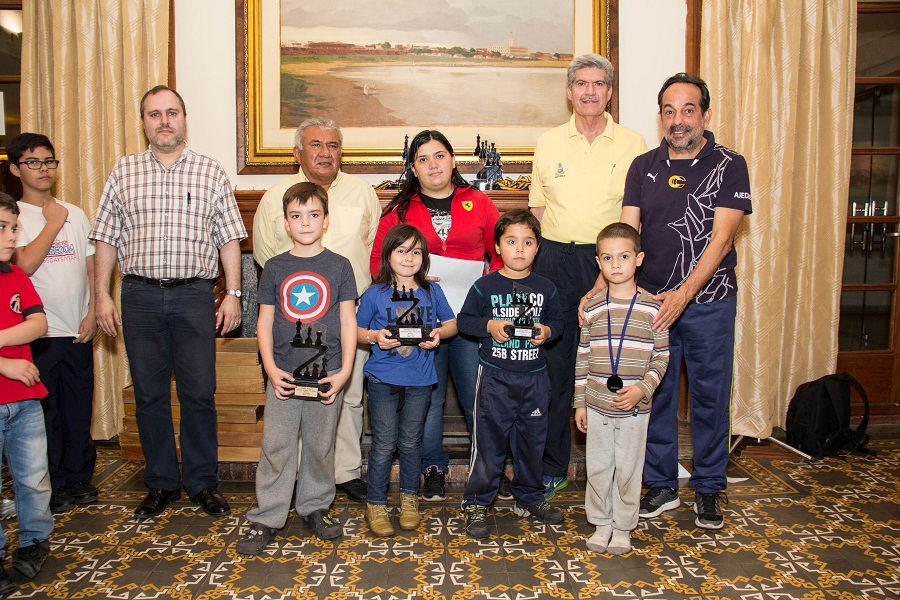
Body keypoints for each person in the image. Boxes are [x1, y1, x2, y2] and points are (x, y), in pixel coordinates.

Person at [91, 85, 246, 520]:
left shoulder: (209, 171)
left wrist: (233, 294)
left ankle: (202, 483)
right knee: (149, 395)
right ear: (143, 122)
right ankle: (160, 483)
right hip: (139, 296)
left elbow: (229, 239)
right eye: (154, 114)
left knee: (199, 394)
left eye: (171, 113)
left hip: (194, 295)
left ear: (184, 119)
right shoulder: (123, 171)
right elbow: (106, 238)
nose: (164, 121)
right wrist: (101, 295)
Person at [620, 73, 752, 530]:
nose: (678, 120)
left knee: (710, 396)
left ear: (705, 115)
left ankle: (710, 486)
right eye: (669, 111)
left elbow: (722, 239)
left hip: (709, 303)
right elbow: (627, 234)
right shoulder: (643, 166)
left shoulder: (730, 165)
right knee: (654, 394)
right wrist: (604, 285)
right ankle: (661, 484)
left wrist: (684, 294)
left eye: (688, 110)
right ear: (660, 117)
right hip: (652, 302)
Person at [528, 54, 648, 500]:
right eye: (581, 83)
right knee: (554, 366)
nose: (590, 91)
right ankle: (553, 466)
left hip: (610, 263)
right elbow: (538, 208)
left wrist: (606, 272)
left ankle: (613, 468)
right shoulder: (548, 142)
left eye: (599, 84)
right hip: (553, 260)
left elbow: (634, 214)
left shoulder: (633, 143)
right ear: (569, 91)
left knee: (607, 361)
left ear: (610, 92)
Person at [252, 117, 380, 504]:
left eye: (333, 145)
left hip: (349, 310)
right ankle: (291, 479)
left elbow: (372, 248)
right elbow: (265, 254)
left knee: (348, 394)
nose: (325, 152)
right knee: (291, 401)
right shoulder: (275, 196)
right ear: (297, 152)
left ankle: (343, 472)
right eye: (315, 144)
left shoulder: (363, 192)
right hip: (293, 319)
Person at [372, 129, 502, 502]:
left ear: (453, 160)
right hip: (418, 322)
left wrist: (487, 285)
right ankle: (432, 468)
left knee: (477, 396)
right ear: (413, 168)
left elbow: (500, 253)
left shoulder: (479, 202)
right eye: (423, 159)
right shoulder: (398, 211)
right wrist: (410, 280)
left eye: (440, 155)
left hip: (471, 320)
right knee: (426, 398)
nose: (433, 165)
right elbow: (377, 263)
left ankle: (488, 469)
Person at [237, 182, 357, 555]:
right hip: (284, 376)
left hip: (327, 374)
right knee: (277, 445)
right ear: (286, 223)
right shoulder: (275, 267)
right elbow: (264, 322)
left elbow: (348, 322)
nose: (305, 222)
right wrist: (271, 369)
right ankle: (267, 515)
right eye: (296, 216)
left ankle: (315, 506)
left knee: (321, 446)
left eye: (313, 215)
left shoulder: (340, 266)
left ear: (326, 220)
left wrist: (345, 371)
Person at [456, 209, 565, 539]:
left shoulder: (547, 288)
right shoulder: (484, 286)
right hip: (495, 379)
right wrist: (489, 326)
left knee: (532, 443)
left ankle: (530, 497)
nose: (520, 249)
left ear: (537, 248)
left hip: (534, 379)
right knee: (489, 446)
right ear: (497, 247)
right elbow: (465, 321)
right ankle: (477, 502)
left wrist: (547, 331)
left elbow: (558, 323)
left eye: (528, 242)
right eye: (512, 241)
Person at [9, 133, 98, 515]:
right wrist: (52, 223)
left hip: (78, 327)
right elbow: (25, 264)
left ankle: (80, 477)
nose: (44, 169)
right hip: (39, 335)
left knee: (78, 407)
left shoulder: (74, 212)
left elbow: (90, 264)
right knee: (47, 411)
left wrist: (93, 309)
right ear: (16, 169)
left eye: (49, 161)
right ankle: (55, 482)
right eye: (33, 162)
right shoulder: (12, 216)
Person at [574, 223, 669, 555]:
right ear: (598, 262)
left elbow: (662, 356)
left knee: (629, 469)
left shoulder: (653, 308)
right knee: (599, 467)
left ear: (639, 259)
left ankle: (623, 526)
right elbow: (583, 356)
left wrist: (643, 388)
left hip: (634, 408)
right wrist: (580, 403)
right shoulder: (592, 308)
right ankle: (601, 524)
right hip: (597, 404)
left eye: (624, 257)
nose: (616, 264)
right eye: (607, 258)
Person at [357, 224, 458, 536]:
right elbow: (356, 330)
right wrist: (375, 336)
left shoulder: (432, 291)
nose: (409, 257)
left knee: (412, 442)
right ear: (388, 255)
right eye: (401, 251)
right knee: (384, 444)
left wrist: (439, 334)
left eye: (416, 252)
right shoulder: (375, 293)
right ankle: (375, 503)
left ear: (424, 257)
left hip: (420, 379)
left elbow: (452, 323)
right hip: (383, 379)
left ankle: (409, 498)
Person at [0, 192, 54, 593]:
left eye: (14, 227)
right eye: (2, 228)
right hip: (11, 381)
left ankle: (35, 541)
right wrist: (6, 364)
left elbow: (38, 325)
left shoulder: (17, 276)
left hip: (25, 398)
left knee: (33, 477)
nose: (12, 236)